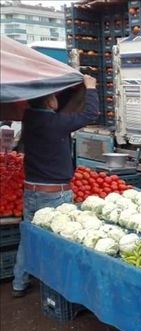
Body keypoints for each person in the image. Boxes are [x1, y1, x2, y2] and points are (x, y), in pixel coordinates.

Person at [12, 75, 99, 298]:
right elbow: (90, 114)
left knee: (29, 237)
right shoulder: (55, 123)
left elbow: (49, 109)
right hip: (54, 195)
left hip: (31, 191)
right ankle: (60, 288)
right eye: (53, 97)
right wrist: (89, 88)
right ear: (50, 102)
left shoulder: (29, 119)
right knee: (60, 241)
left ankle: (19, 283)